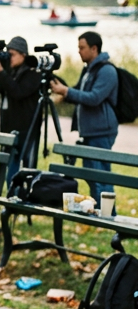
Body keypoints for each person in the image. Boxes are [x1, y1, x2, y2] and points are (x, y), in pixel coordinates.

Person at [51, 31, 119, 202]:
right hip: (89, 132)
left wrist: (67, 91)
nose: (79, 51)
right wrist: (64, 93)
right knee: (92, 178)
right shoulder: (88, 70)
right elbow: (80, 94)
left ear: (94, 48)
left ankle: (110, 219)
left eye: (82, 48)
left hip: (101, 132)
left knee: (101, 178)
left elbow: (94, 98)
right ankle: (99, 215)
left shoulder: (107, 70)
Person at [0, 36, 40, 182]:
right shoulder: (9, 73)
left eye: (12, 55)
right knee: (10, 168)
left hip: (27, 130)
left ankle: (22, 199)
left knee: (26, 170)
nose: (10, 58)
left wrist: (1, 73)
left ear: (23, 54)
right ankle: (10, 199)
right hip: (8, 128)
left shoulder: (33, 73)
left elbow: (18, 92)